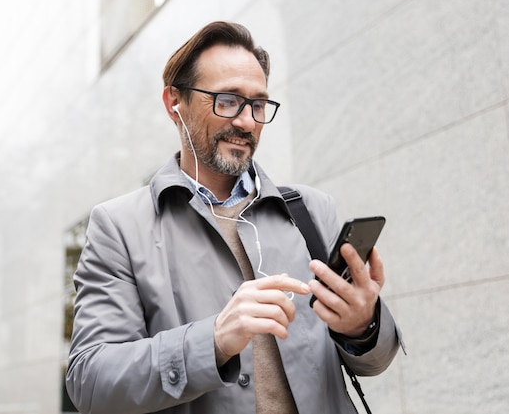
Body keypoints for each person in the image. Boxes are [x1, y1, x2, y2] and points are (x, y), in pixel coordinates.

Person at [66, 21, 403, 414]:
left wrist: (363, 324)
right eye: (227, 100)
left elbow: (376, 360)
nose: (246, 121)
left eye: (258, 104)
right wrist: (212, 341)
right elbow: (90, 382)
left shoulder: (312, 210)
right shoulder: (118, 226)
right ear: (175, 103)